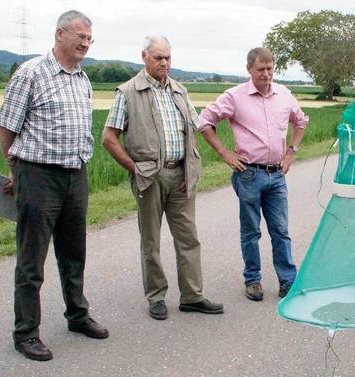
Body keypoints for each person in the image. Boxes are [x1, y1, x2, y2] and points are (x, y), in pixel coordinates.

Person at [0, 10, 109, 362]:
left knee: (74, 253)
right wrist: (15, 169)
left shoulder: (83, 79)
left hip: (76, 174)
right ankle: (26, 332)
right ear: (60, 34)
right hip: (39, 175)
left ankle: (77, 316)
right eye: (80, 36)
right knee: (32, 258)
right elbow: (6, 129)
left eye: (90, 39)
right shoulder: (30, 74)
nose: (85, 43)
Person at [102, 35, 223, 320]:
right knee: (151, 241)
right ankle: (156, 296)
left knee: (189, 238)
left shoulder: (179, 90)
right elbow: (109, 138)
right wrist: (135, 169)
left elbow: (199, 125)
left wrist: (201, 161)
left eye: (168, 57)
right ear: (144, 56)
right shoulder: (128, 92)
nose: (164, 62)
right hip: (149, 177)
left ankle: (192, 296)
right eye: (158, 57)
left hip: (181, 176)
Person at [198, 47, 309, 301]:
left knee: (281, 230)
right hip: (249, 174)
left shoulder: (284, 94)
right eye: (261, 69)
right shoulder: (235, 97)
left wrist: (291, 152)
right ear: (249, 69)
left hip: (277, 174)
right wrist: (225, 153)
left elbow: (301, 122)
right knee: (251, 231)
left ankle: (288, 281)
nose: (267, 74)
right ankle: (253, 280)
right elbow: (204, 121)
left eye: (270, 68)